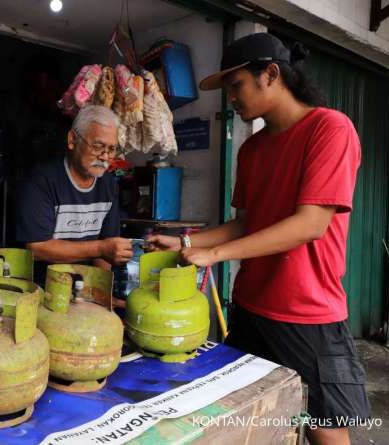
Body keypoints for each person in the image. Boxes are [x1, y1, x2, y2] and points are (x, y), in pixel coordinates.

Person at [148, 33, 369, 445]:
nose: (231, 98)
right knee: (249, 418)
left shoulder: (330, 129)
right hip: (252, 308)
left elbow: (309, 225)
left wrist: (214, 254)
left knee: (326, 429)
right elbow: (247, 222)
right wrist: (186, 245)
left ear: (271, 74)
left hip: (308, 314)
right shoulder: (251, 149)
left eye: (236, 85)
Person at [15, 105, 133, 284]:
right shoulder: (41, 181)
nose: (104, 157)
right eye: (98, 146)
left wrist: (100, 291)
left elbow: (107, 245)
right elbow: (37, 248)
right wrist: (101, 248)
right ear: (72, 140)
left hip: (83, 286)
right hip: (41, 286)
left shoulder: (108, 185)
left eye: (111, 149)